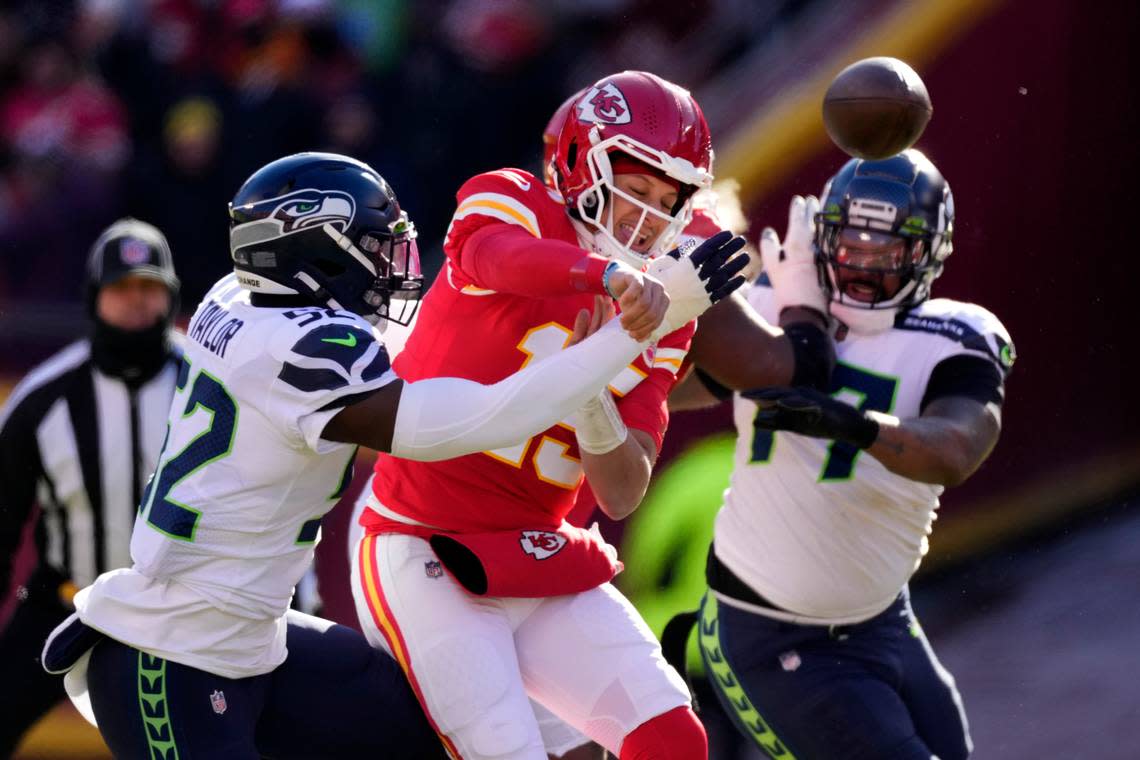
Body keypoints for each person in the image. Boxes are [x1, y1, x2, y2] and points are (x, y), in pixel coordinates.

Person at [41, 151, 743, 759]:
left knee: (419, 731)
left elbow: (427, 369)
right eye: (375, 249)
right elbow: (480, 419)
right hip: (171, 654)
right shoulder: (301, 351)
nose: (392, 269)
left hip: (252, 636)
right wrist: (627, 335)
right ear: (315, 256)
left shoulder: (237, 297)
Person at [350, 71, 747, 760]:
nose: (648, 218)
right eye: (636, 188)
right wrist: (606, 280)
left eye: (666, 201)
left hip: (534, 548)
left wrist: (590, 389)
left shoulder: (664, 311)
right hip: (423, 540)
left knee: (674, 741)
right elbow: (490, 254)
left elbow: (622, 492)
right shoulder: (518, 201)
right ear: (579, 163)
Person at [689, 149, 1014, 759]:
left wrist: (852, 425)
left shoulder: (957, 335)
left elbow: (957, 450)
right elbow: (669, 388)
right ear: (821, 241)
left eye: (886, 251)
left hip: (882, 618)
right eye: (851, 246)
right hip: (769, 635)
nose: (863, 267)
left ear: (929, 252)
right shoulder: (775, 302)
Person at [0, 218, 182, 755]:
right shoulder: (42, 399)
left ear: (170, 297)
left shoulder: (211, 386)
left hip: (180, 611)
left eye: (149, 287)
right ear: (94, 297)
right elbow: (2, 518)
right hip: (64, 603)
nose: (136, 302)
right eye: (121, 288)